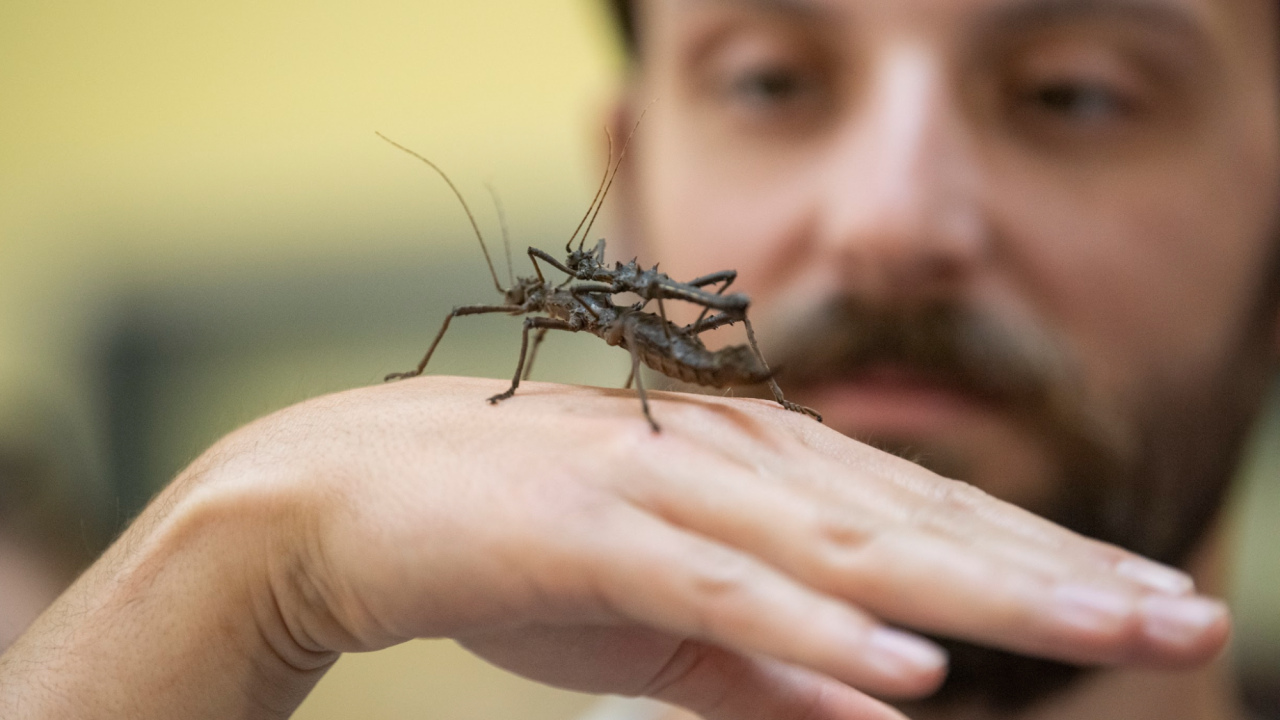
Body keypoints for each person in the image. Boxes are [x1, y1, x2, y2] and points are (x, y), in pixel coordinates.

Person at [0, 0, 1275, 717]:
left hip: (659, 319)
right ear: (628, 186)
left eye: (1074, 92)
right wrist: (234, 574)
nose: (889, 226)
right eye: (771, 81)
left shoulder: (651, 300)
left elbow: (667, 318)